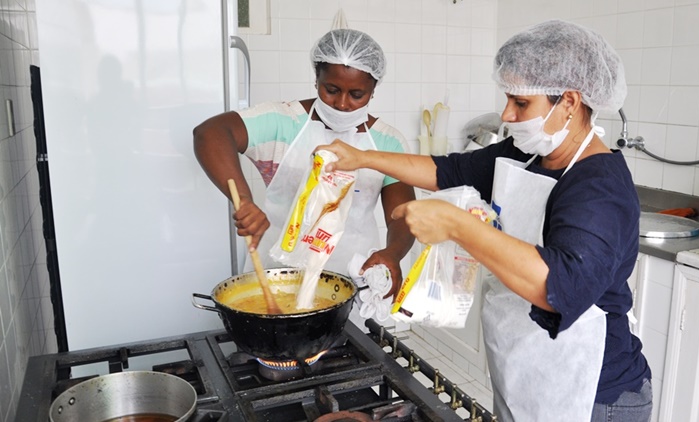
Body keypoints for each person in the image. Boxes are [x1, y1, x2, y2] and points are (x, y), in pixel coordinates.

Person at [316, 20, 652, 422]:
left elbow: (558, 287)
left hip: (594, 391)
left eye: (520, 103)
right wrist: (364, 157)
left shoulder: (599, 187)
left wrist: (457, 225)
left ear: (569, 102)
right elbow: (446, 170)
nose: (507, 114)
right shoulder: (526, 155)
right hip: (525, 367)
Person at [193, 28, 416, 311]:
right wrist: (244, 201)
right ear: (316, 79)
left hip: (350, 287)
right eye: (331, 90)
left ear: (373, 90)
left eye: (357, 94)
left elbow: (402, 216)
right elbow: (210, 132)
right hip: (275, 282)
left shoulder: (388, 141)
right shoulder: (283, 121)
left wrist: (392, 254)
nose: (343, 104)